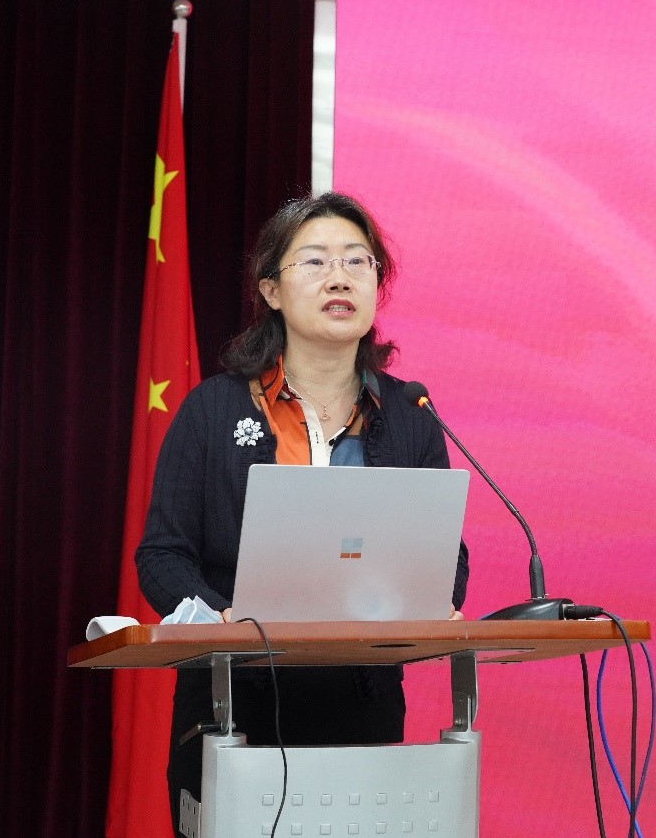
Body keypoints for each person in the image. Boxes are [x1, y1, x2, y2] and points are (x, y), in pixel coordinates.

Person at [134, 191, 469, 833]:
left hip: (362, 707)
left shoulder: (411, 415)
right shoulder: (212, 410)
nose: (339, 278)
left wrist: (431, 600)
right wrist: (224, 619)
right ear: (271, 290)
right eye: (314, 262)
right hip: (232, 705)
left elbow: (446, 558)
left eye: (357, 262)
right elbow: (162, 556)